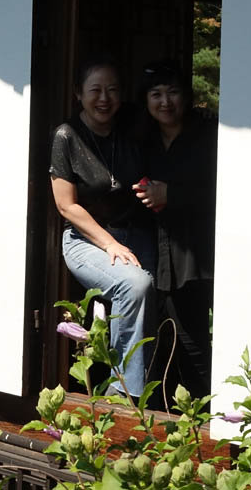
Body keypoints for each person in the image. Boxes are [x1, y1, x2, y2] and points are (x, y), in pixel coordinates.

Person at [50, 56, 155, 397]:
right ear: (78, 93)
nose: (104, 98)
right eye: (95, 90)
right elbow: (66, 205)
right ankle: (123, 394)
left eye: (112, 90)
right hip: (86, 240)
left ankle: (155, 394)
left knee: (157, 296)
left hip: (135, 234)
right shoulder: (66, 136)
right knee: (134, 285)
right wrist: (109, 243)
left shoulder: (131, 130)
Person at [133, 60, 216, 400]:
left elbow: (223, 189)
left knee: (201, 338)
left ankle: (211, 413)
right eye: (156, 94)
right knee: (175, 341)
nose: (165, 102)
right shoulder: (145, 140)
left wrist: (172, 195)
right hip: (161, 252)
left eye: (173, 93)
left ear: (187, 96)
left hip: (200, 253)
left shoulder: (208, 135)